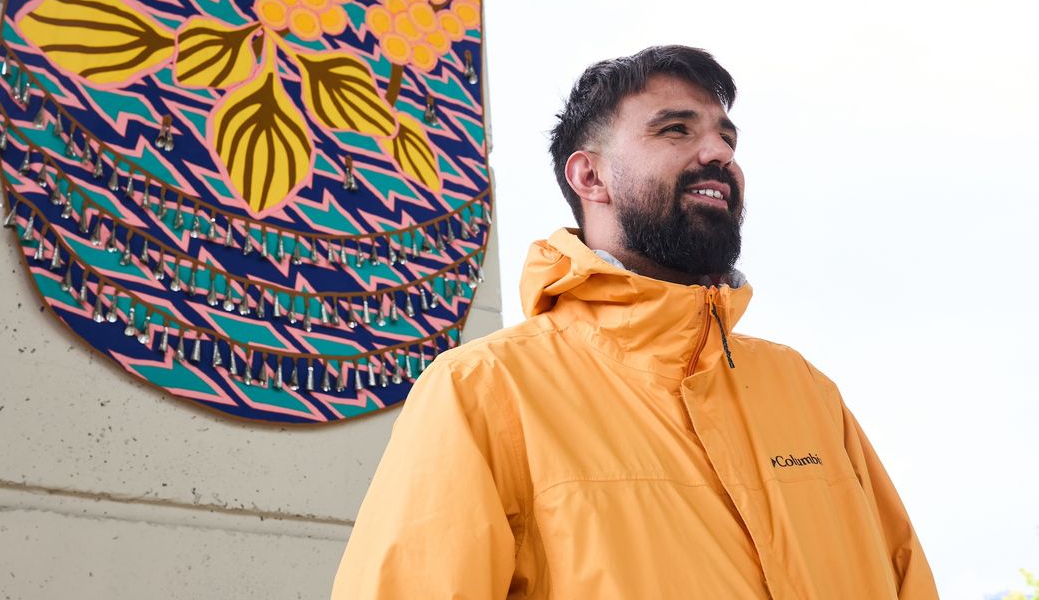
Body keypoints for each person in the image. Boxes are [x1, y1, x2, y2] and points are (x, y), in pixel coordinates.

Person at [331, 45, 938, 598]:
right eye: (676, 129)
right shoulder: (484, 391)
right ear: (590, 176)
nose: (719, 153)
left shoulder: (805, 393)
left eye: (726, 137)